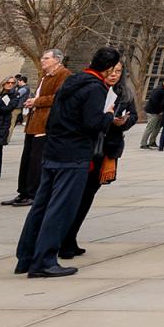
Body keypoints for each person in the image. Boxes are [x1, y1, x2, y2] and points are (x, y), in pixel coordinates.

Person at [14, 47, 121, 278]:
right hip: (74, 154)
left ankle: (26, 256)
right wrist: (109, 115)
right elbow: (93, 123)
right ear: (109, 68)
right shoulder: (95, 88)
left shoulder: (71, 81)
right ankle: (44, 261)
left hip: (54, 150)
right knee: (60, 208)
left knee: (41, 205)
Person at [61, 59, 137, 260]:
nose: (114, 75)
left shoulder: (125, 94)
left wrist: (123, 122)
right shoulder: (92, 89)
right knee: (74, 195)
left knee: (87, 196)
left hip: (106, 150)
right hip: (84, 149)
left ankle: (70, 237)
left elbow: (134, 117)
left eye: (118, 71)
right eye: (111, 70)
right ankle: (62, 238)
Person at [5, 50, 69, 208]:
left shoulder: (64, 75)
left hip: (45, 122)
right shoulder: (45, 75)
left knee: (36, 160)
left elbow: (59, 97)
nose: (42, 60)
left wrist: (37, 101)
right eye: (43, 57)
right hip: (34, 121)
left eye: (46, 58)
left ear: (57, 60)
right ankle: (23, 191)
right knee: (27, 158)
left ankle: (33, 192)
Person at [140, 76, 164, 149]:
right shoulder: (158, 90)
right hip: (153, 112)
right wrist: (159, 111)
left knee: (157, 128)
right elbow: (154, 102)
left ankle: (152, 142)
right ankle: (143, 143)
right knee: (150, 127)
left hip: (160, 112)